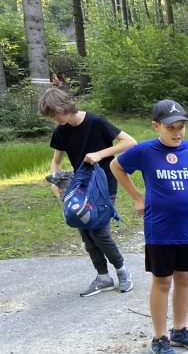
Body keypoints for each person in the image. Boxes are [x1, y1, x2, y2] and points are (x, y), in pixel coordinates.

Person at [110, 100, 188, 354]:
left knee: (184, 277)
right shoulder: (145, 151)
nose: (177, 133)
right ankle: (160, 337)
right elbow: (116, 166)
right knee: (162, 281)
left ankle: (180, 330)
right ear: (156, 126)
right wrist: (137, 197)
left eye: (181, 127)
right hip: (160, 229)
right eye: (170, 128)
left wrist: (184, 194)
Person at [40, 87, 137, 297]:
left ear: (64, 106)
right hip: (80, 187)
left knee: (99, 232)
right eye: (51, 116)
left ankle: (122, 271)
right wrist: (54, 182)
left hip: (104, 184)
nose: (55, 119)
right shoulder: (60, 131)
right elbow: (56, 161)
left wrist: (100, 154)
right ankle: (103, 278)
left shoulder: (96, 122)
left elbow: (130, 142)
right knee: (85, 233)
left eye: (55, 113)